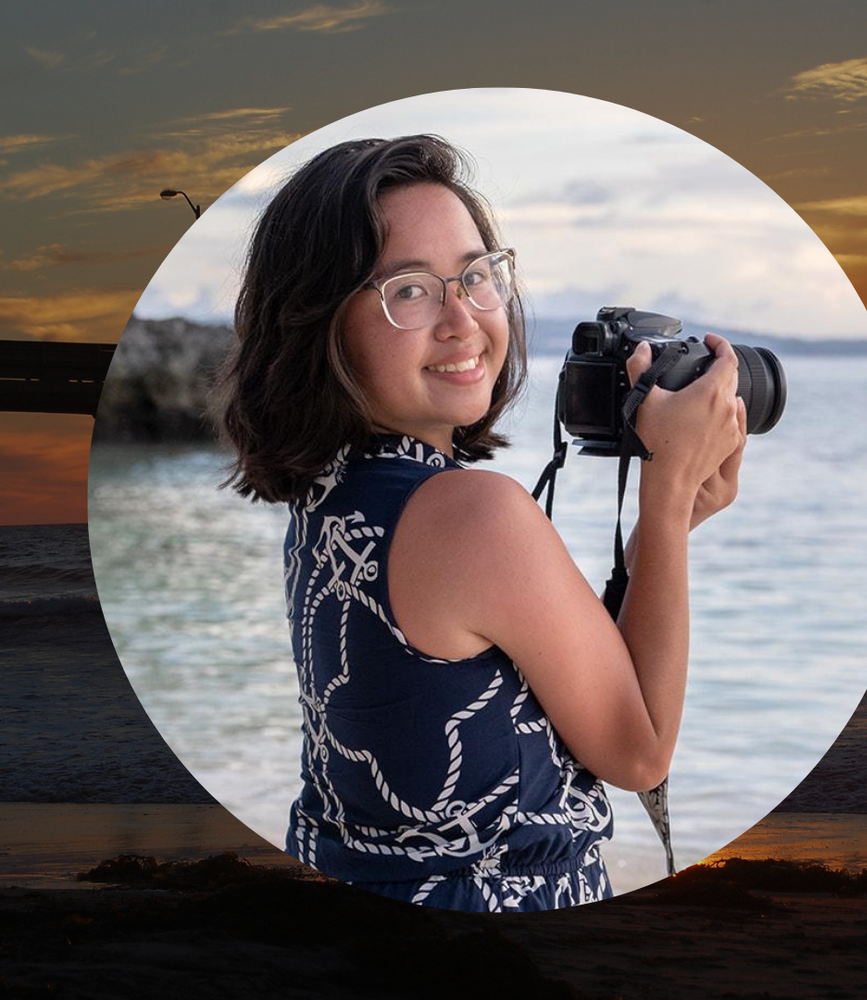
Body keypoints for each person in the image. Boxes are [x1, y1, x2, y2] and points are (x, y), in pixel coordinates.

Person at [217, 135, 746, 912]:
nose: (462, 319)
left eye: (476, 276)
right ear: (321, 321)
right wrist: (663, 499)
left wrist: (660, 531)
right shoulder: (475, 512)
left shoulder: (339, 498)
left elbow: (543, 671)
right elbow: (638, 754)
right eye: (409, 290)